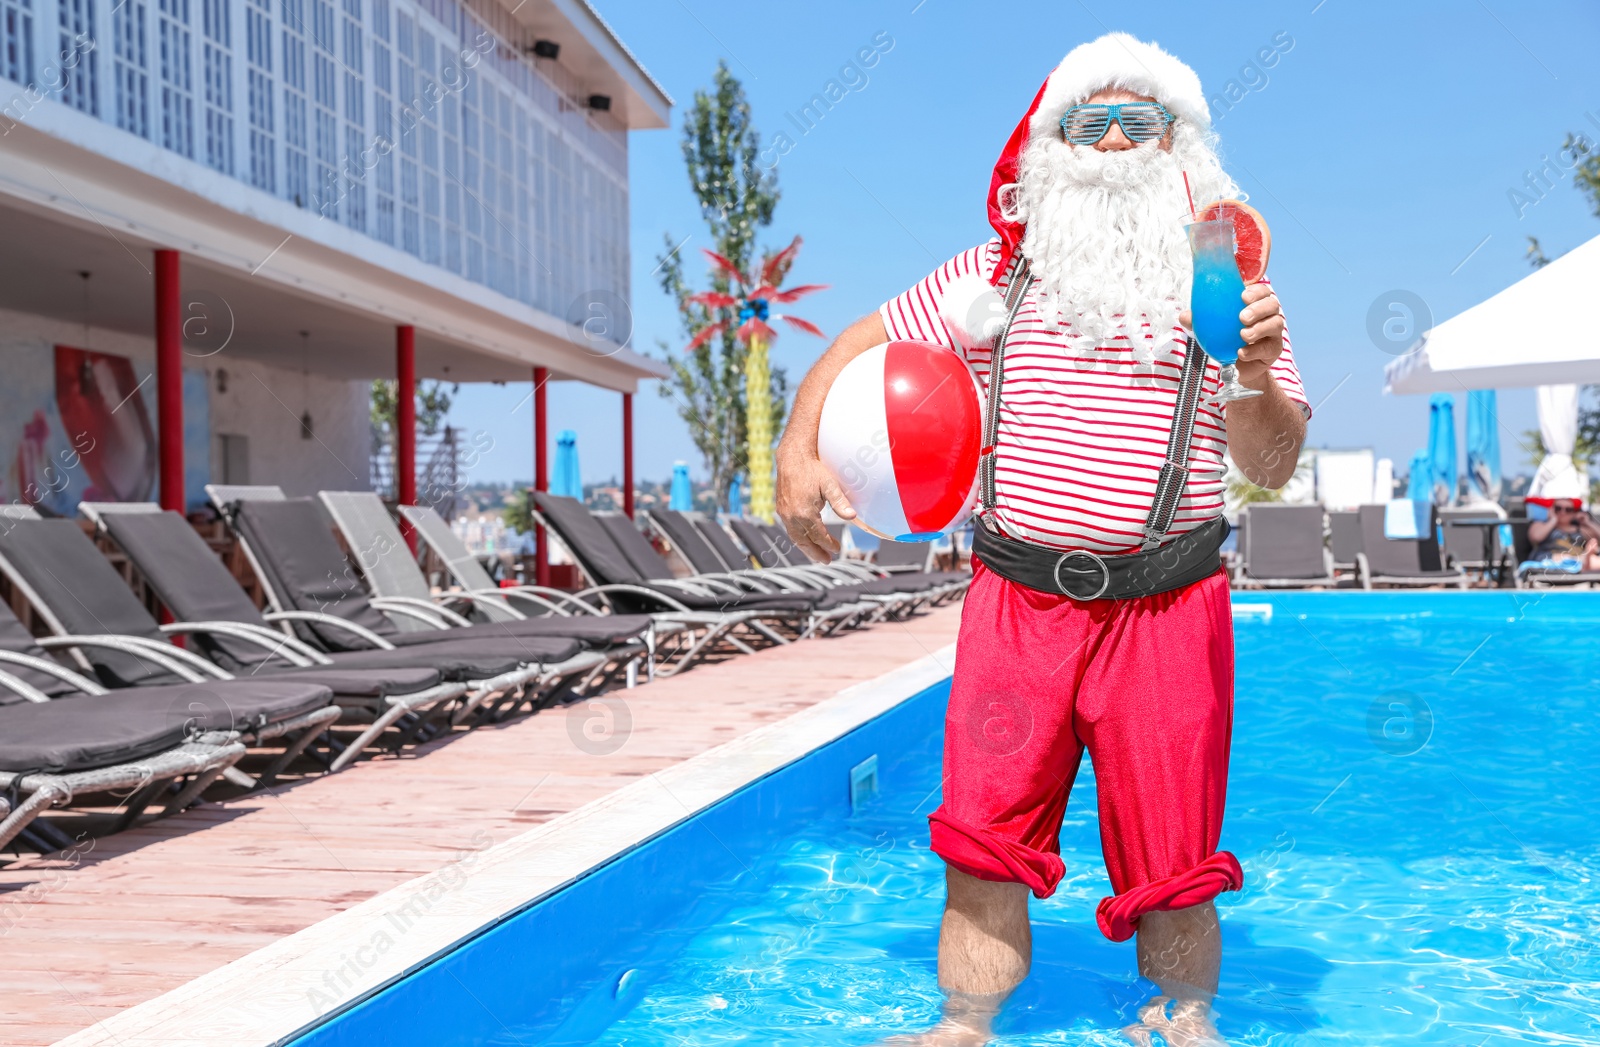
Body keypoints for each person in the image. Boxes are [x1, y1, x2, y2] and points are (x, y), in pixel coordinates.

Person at [775, 33, 1310, 1047]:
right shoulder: (991, 276)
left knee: (1177, 863)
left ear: (1178, 146)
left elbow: (1272, 463)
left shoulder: (1236, 290)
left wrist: (1252, 369)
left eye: (1137, 123)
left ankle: (1184, 1019)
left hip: (1168, 604)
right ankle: (965, 1028)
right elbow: (863, 339)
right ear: (1046, 145)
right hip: (1017, 607)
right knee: (980, 847)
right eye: (1086, 122)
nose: (1110, 143)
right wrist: (798, 444)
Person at [1528, 498, 1600, 569]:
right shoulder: (1541, 525)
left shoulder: (1581, 530)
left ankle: (1583, 560)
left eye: (1568, 510)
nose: (1562, 512)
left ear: (1574, 513)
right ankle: (1583, 560)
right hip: (1549, 560)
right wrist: (1553, 520)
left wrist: (1588, 522)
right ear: (1552, 509)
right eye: (1558, 508)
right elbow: (1535, 537)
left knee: (1594, 560)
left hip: (1579, 561)